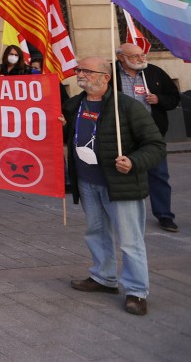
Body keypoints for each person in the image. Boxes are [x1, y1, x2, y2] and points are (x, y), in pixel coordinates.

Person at [66, 56, 165, 316]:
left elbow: (156, 145)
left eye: (86, 70)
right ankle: (103, 277)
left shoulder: (127, 107)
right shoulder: (75, 104)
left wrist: (133, 162)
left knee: (130, 241)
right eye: (79, 70)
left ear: (105, 77)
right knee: (96, 233)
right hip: (88, 183)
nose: (80, 74)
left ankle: (136, 291)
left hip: (121, 185)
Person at [114, 43, 180, 233]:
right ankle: (127, 217)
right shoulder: (110, 74)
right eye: (134, 56)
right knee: (124, 176)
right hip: (123, 134)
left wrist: (159, 99)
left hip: (152, 134)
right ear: (121, 58)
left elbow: (173, 97)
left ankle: (164, 215)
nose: (141, 59)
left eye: (142, 55)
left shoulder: (154, 72)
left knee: (158, 175)